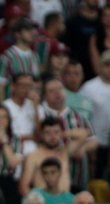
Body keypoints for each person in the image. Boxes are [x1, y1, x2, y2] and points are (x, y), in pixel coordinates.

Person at [38, 77, 97, 191]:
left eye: (59, 89)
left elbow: (93, 141)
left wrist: (82, 148)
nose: (57, 93)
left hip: (76, 175)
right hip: (48, 177)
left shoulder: (78, 116)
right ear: (44, 96)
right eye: (52, 91)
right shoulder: (41, 115)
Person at [19, 116, 74, 196]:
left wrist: (62, 134)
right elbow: (23, 186)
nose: (52, 136)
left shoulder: (64, 152)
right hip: (42, 203)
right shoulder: (33, 156)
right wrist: (35, 203)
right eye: (47, 132)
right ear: (41, 134)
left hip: (64, 203)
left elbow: (83, 135)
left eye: (56, 132)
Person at [80, 49, 110, 179]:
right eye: (107, 65)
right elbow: (81, 115)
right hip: (93, 141)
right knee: (93, 178)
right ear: (101, 66)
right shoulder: (89, 87)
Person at [0, 18, 40, 104]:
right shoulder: (7, 56)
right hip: (12, 104)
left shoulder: (34, 56)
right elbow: (0, 84)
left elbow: (36, 83)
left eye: (32, 30)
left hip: (29, 106)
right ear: (17, 34)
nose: (32, 33)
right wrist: (4, 107)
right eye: (27, 30)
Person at [2, 74, 38, 153]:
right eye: (23, 85)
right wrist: (27, 137)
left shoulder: (35, 105)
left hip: (31, 149)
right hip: (10, 148)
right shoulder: (5, 106)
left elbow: (39, 134)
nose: (26, 89)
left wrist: (36, 109)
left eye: (29, 86)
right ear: (13, 86)